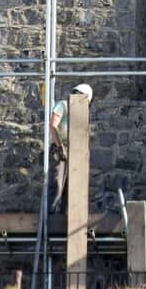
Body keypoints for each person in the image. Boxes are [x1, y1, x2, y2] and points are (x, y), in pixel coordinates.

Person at [48, 83, 93, 214]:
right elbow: (53, 126)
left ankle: (64, 217)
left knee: (71, 186)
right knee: (58, 184)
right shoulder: (63, 105)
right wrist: (59, 147)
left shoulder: (81, 113)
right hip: (60, 148)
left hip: (75, 149)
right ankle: (51, 217)